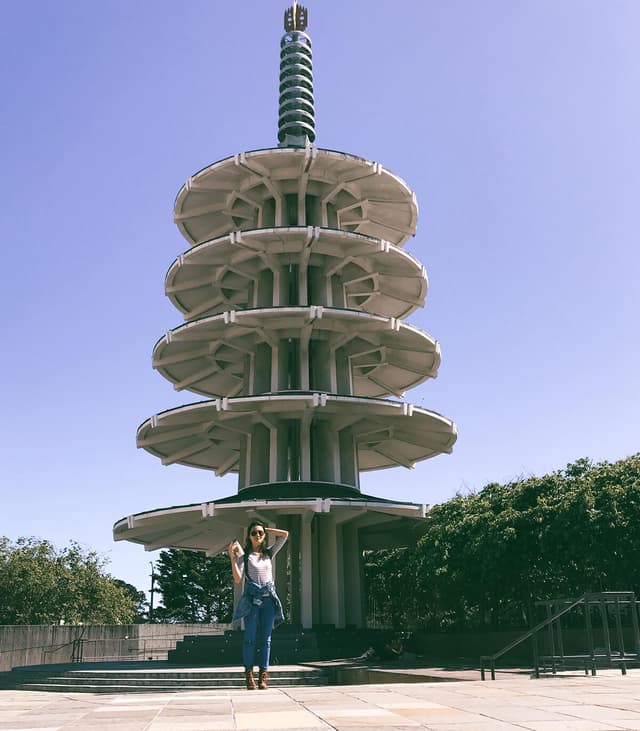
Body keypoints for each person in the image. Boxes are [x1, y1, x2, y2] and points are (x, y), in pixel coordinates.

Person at [228, 521, 289, 690]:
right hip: (252, 601)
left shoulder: (269, 553)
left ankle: (263, 676)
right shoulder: (245, 556)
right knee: (249, 639)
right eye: (254, 533)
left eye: (260, 533)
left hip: (269, 600)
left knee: (266, 640)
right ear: (249, 536)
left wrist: (266, 529)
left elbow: (284, 535)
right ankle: (249, 676)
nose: (257, 535)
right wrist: (232, 557)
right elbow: (238, 579)